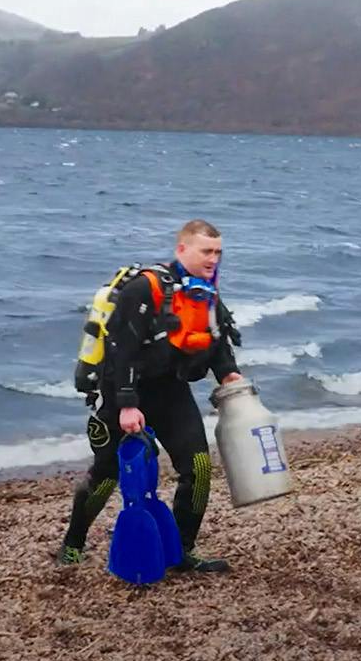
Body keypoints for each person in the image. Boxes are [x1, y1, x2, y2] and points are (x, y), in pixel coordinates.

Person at [57, 219, 244, 573]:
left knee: (199, 468)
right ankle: (72, 545)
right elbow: (121, 350)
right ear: (182, 249)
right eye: (206, 251)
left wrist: (229, 374)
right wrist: (127, 405)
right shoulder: (145, 288)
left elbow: (217, 339)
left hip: (171, 391)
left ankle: (182, 550)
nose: (213, 259)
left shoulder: (207, 292)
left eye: (218, 252)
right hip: (122, 391)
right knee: (107, 475)